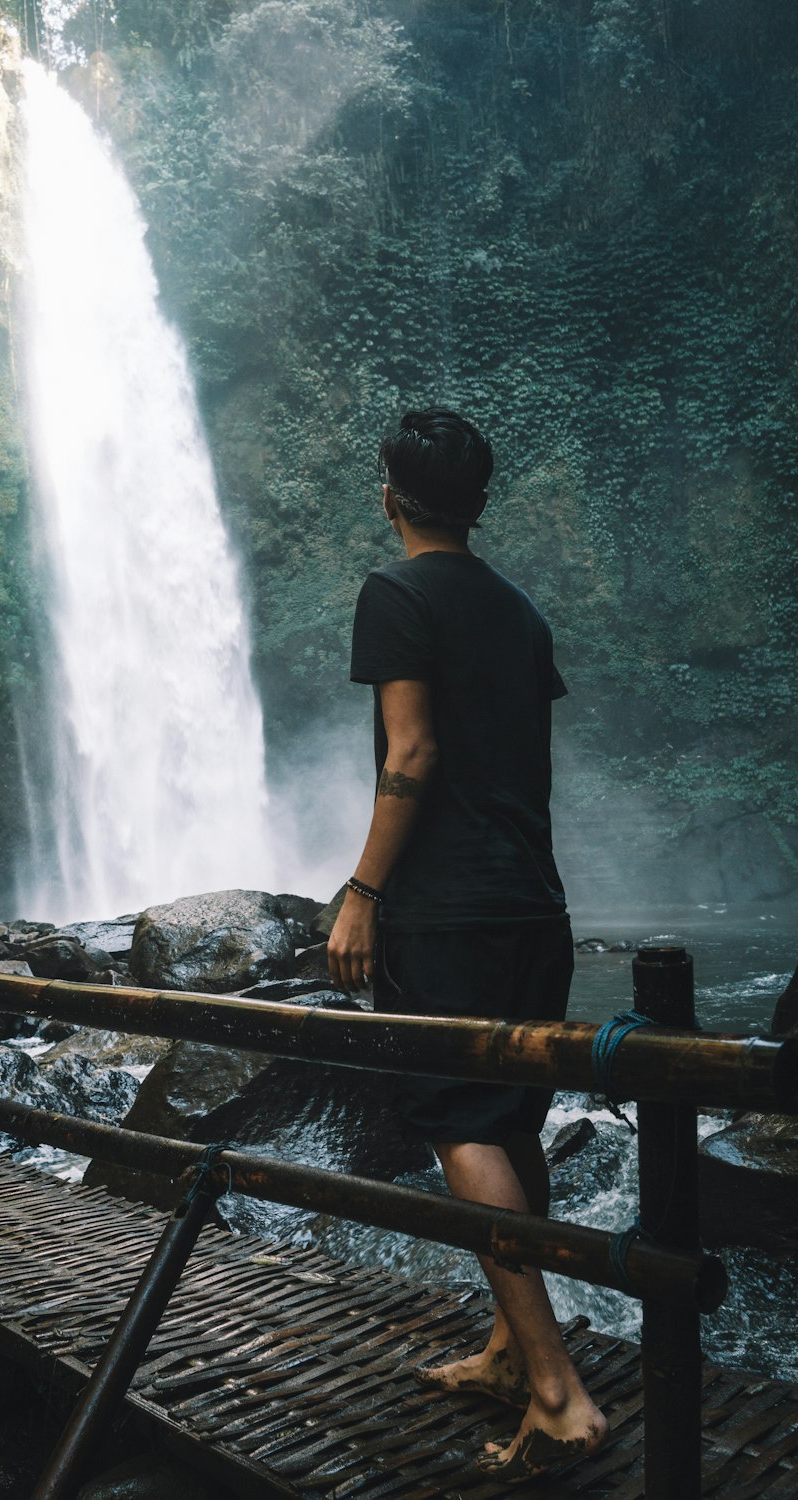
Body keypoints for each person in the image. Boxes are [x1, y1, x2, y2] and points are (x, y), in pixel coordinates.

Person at [326, 408, 607, 1483]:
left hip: (445, 914)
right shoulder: (519, 611)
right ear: (478, 503)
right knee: (514, 1120)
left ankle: (556, 1391)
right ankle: (507, 1345)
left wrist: (361, 893)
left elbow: (414, 750)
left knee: (460, 1129)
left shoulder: (393, 593)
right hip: (533, 907)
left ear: (389, 494)